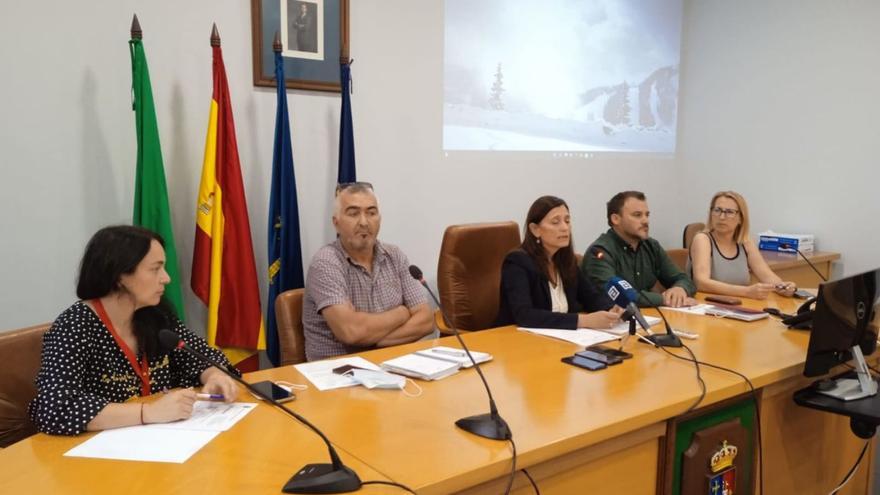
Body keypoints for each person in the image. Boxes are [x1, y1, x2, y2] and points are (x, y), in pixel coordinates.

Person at [29, 226, 238, 436]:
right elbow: (55, 408)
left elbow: (200, 356)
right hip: (98, 452)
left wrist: (214, 375)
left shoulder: (156, 315)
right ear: (120, 275)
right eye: (155, 269)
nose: (166, 278)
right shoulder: (74, 326)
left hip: (162, 439)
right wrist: (147, 413)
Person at [303, 182, 433, 361]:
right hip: (339, 374)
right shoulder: (326, 263)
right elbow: (351, 331)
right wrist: (402, 313)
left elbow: (426, 320)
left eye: (371, 213)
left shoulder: (394, 256)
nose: (364, 222)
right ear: (336, 222)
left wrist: (374, 343)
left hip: (392, 365)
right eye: (353, 213)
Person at [496, 196, 623, 329]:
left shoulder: (567, 262)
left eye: (567, 221)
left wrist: (611, 309)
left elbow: (591, 297)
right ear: (535, 229)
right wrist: (583, 321)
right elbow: (524, 315)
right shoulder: (517, 262)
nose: (564, 228)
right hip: (516, 340)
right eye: (555, 222)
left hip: (559, 341)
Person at [582, 191, 697, 308]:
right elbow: (617, 296)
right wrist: (664, 299)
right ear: (616, 219)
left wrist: (680, 289)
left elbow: (683, 279)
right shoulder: (600, 252)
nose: (645, 221)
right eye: (637, 215)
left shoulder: (651, 246)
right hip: (613, 321)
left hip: (649, 317)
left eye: (647, 215)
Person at [688, 191, 796, 299]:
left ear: (741, 218)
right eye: (717, 210)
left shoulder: (745, 242)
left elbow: (767, 276)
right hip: (706, 307)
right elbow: (701, 282)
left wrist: (784, 287)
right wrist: (746, 292)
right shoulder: (702, 239)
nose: (721, 217)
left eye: (729, 212)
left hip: (739, 306)